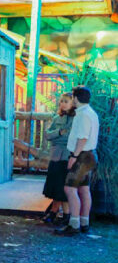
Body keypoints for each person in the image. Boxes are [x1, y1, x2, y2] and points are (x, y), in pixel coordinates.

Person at [55, 86, 99, 236]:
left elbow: (83, 138)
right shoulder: (90, 112)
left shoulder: (83, 115)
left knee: (70, 189)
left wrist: (74, 157)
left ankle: (74, 224)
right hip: (90, 155)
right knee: (84, 189)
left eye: (73, 96)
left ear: (76, 98)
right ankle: (84, 222)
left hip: (82, 156)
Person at [41, 93, 74, 224]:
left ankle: (62, 214)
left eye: (66, 101)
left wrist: (57, 137)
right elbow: (47, 135)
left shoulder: (75, 119)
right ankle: (55, 213)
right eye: (61, 101)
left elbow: (70, 137)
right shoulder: (56, 118)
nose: (63, 104)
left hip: (67, 156)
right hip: (55, 156)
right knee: (54, 185)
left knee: (62, 186)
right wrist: (59, 133)